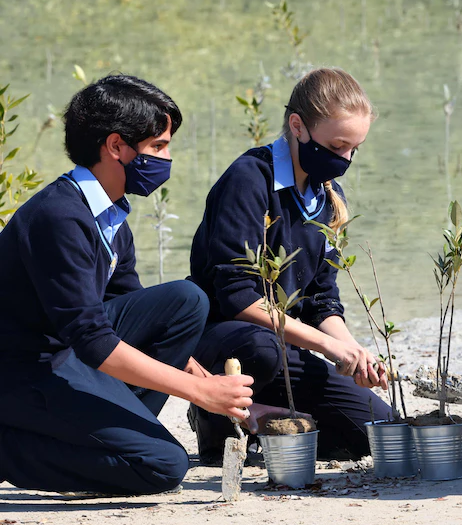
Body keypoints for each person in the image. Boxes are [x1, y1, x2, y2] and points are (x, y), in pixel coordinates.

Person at [0, 75, 254, 497]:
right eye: (158, 147)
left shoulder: (110, 212)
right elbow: (94, 341)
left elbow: (126, 306)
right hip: (21, 371)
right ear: (117, 146)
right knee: (163, 466)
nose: (167, 158)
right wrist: (200, 393)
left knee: (186, 301)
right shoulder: (59, 217)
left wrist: (205, 381)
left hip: (65, 356)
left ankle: (122, 429)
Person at [187, 67, 391, 464]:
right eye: (336, 145)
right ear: (298, 126)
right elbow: (236, 296)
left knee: (372, 433)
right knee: (261, 348)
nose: (344, 159)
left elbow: (321, 301)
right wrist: (327, 346)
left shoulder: (328, 196)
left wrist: (352, 352)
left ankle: (268, 420)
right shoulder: (249, 179)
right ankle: (214, 416)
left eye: (354, 149)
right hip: (228, 337)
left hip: (287, 343)